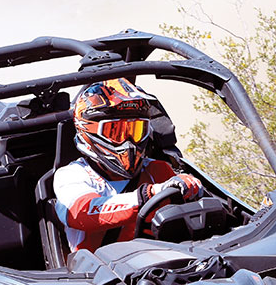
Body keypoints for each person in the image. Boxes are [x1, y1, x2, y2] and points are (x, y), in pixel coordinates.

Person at [53, 78, 204, 252]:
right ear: (88, 131)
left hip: (161, 262)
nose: (129, 143)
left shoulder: (158, 169)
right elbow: (82, 213)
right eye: (116, 132)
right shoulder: (72, 174)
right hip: (99, 273)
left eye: (135, 131)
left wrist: (190, 185)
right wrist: (151, 194)